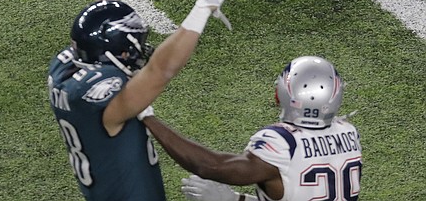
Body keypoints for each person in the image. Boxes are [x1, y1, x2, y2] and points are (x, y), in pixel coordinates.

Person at [46, 0, 239, 200]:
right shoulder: (101, 97)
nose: (135, 53)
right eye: (130, 49)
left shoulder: (65, 68)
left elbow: (104, 24)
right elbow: (160, 71)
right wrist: (203, 8)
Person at [142, 56, 362, 201]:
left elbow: (211, 167)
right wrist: (235, 199)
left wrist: (148, 118)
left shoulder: (282, 143)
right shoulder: (348, 134)